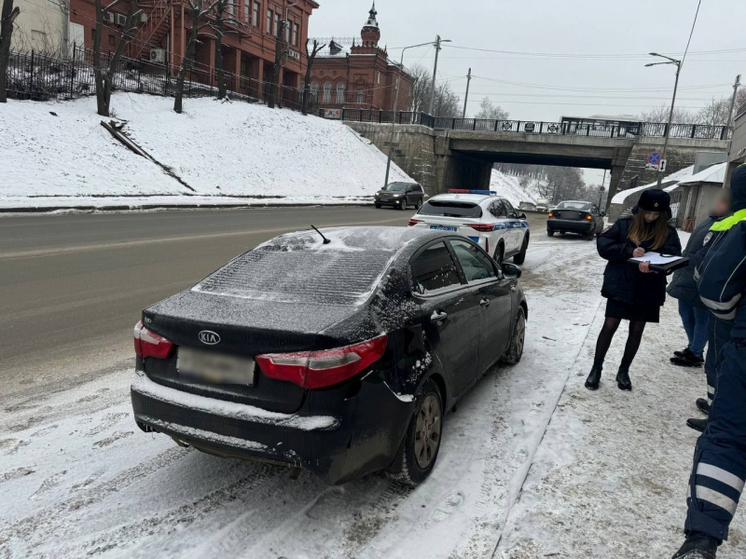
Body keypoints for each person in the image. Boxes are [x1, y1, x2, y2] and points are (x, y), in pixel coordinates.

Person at [673, 165, 746, 559]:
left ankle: (702, 541)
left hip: (742, 341)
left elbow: (717, 290)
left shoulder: (739, 226)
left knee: (728, 440)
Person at [585, 189, 682, 391]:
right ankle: (596, 368)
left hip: (649, 288)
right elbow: (603, 245)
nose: (651, 217)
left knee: (637, 330)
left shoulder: (668, 232)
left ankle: (624, 370)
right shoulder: (624, 224)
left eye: (656, 215)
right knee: (610, 325)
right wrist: (629, 251)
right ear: (640, 210)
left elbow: (673, 257)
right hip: (621, 283)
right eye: (647, 213)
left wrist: (655, 268)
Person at [668, 194, 729, 371]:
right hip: (687, 273)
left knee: (701, 317)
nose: (716, 203)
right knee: (685, 312)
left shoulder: (727, 225)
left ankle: (695, 353)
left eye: (721, 201)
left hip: (701, 277)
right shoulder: (709, 221)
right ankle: (693, 347)